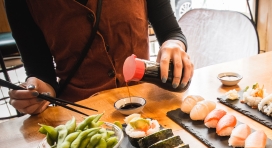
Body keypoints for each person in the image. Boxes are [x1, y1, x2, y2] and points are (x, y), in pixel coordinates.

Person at [5, 0, 193, 115]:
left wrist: (173, 45)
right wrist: (37, 93)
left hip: (146, 107)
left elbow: (171, 32)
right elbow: (41, 74)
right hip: (82, 116)